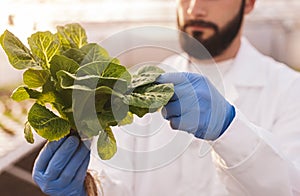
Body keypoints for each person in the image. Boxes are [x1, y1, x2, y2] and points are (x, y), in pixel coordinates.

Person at [32, 0, 300, 195]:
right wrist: (85, 190)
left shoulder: (289, 89)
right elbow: (119, 184)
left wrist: (229, 130)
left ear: (249, 3)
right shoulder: (140, 86)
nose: (194, 8)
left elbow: (291, 187)